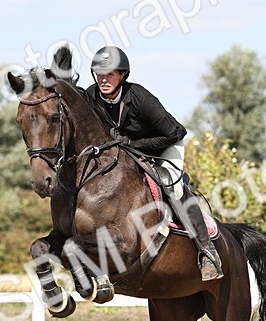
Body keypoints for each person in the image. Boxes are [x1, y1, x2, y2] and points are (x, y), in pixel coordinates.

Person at [81, 46, 223, 281]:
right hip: (125, 153)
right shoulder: (92, 96)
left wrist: (132, 143)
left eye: (110, 74)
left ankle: (207, 251)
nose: (104, 80)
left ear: (122, 75)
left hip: (164, 147)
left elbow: (175, 132)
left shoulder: (140, 97)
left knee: (172, 185)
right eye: (100, 74)